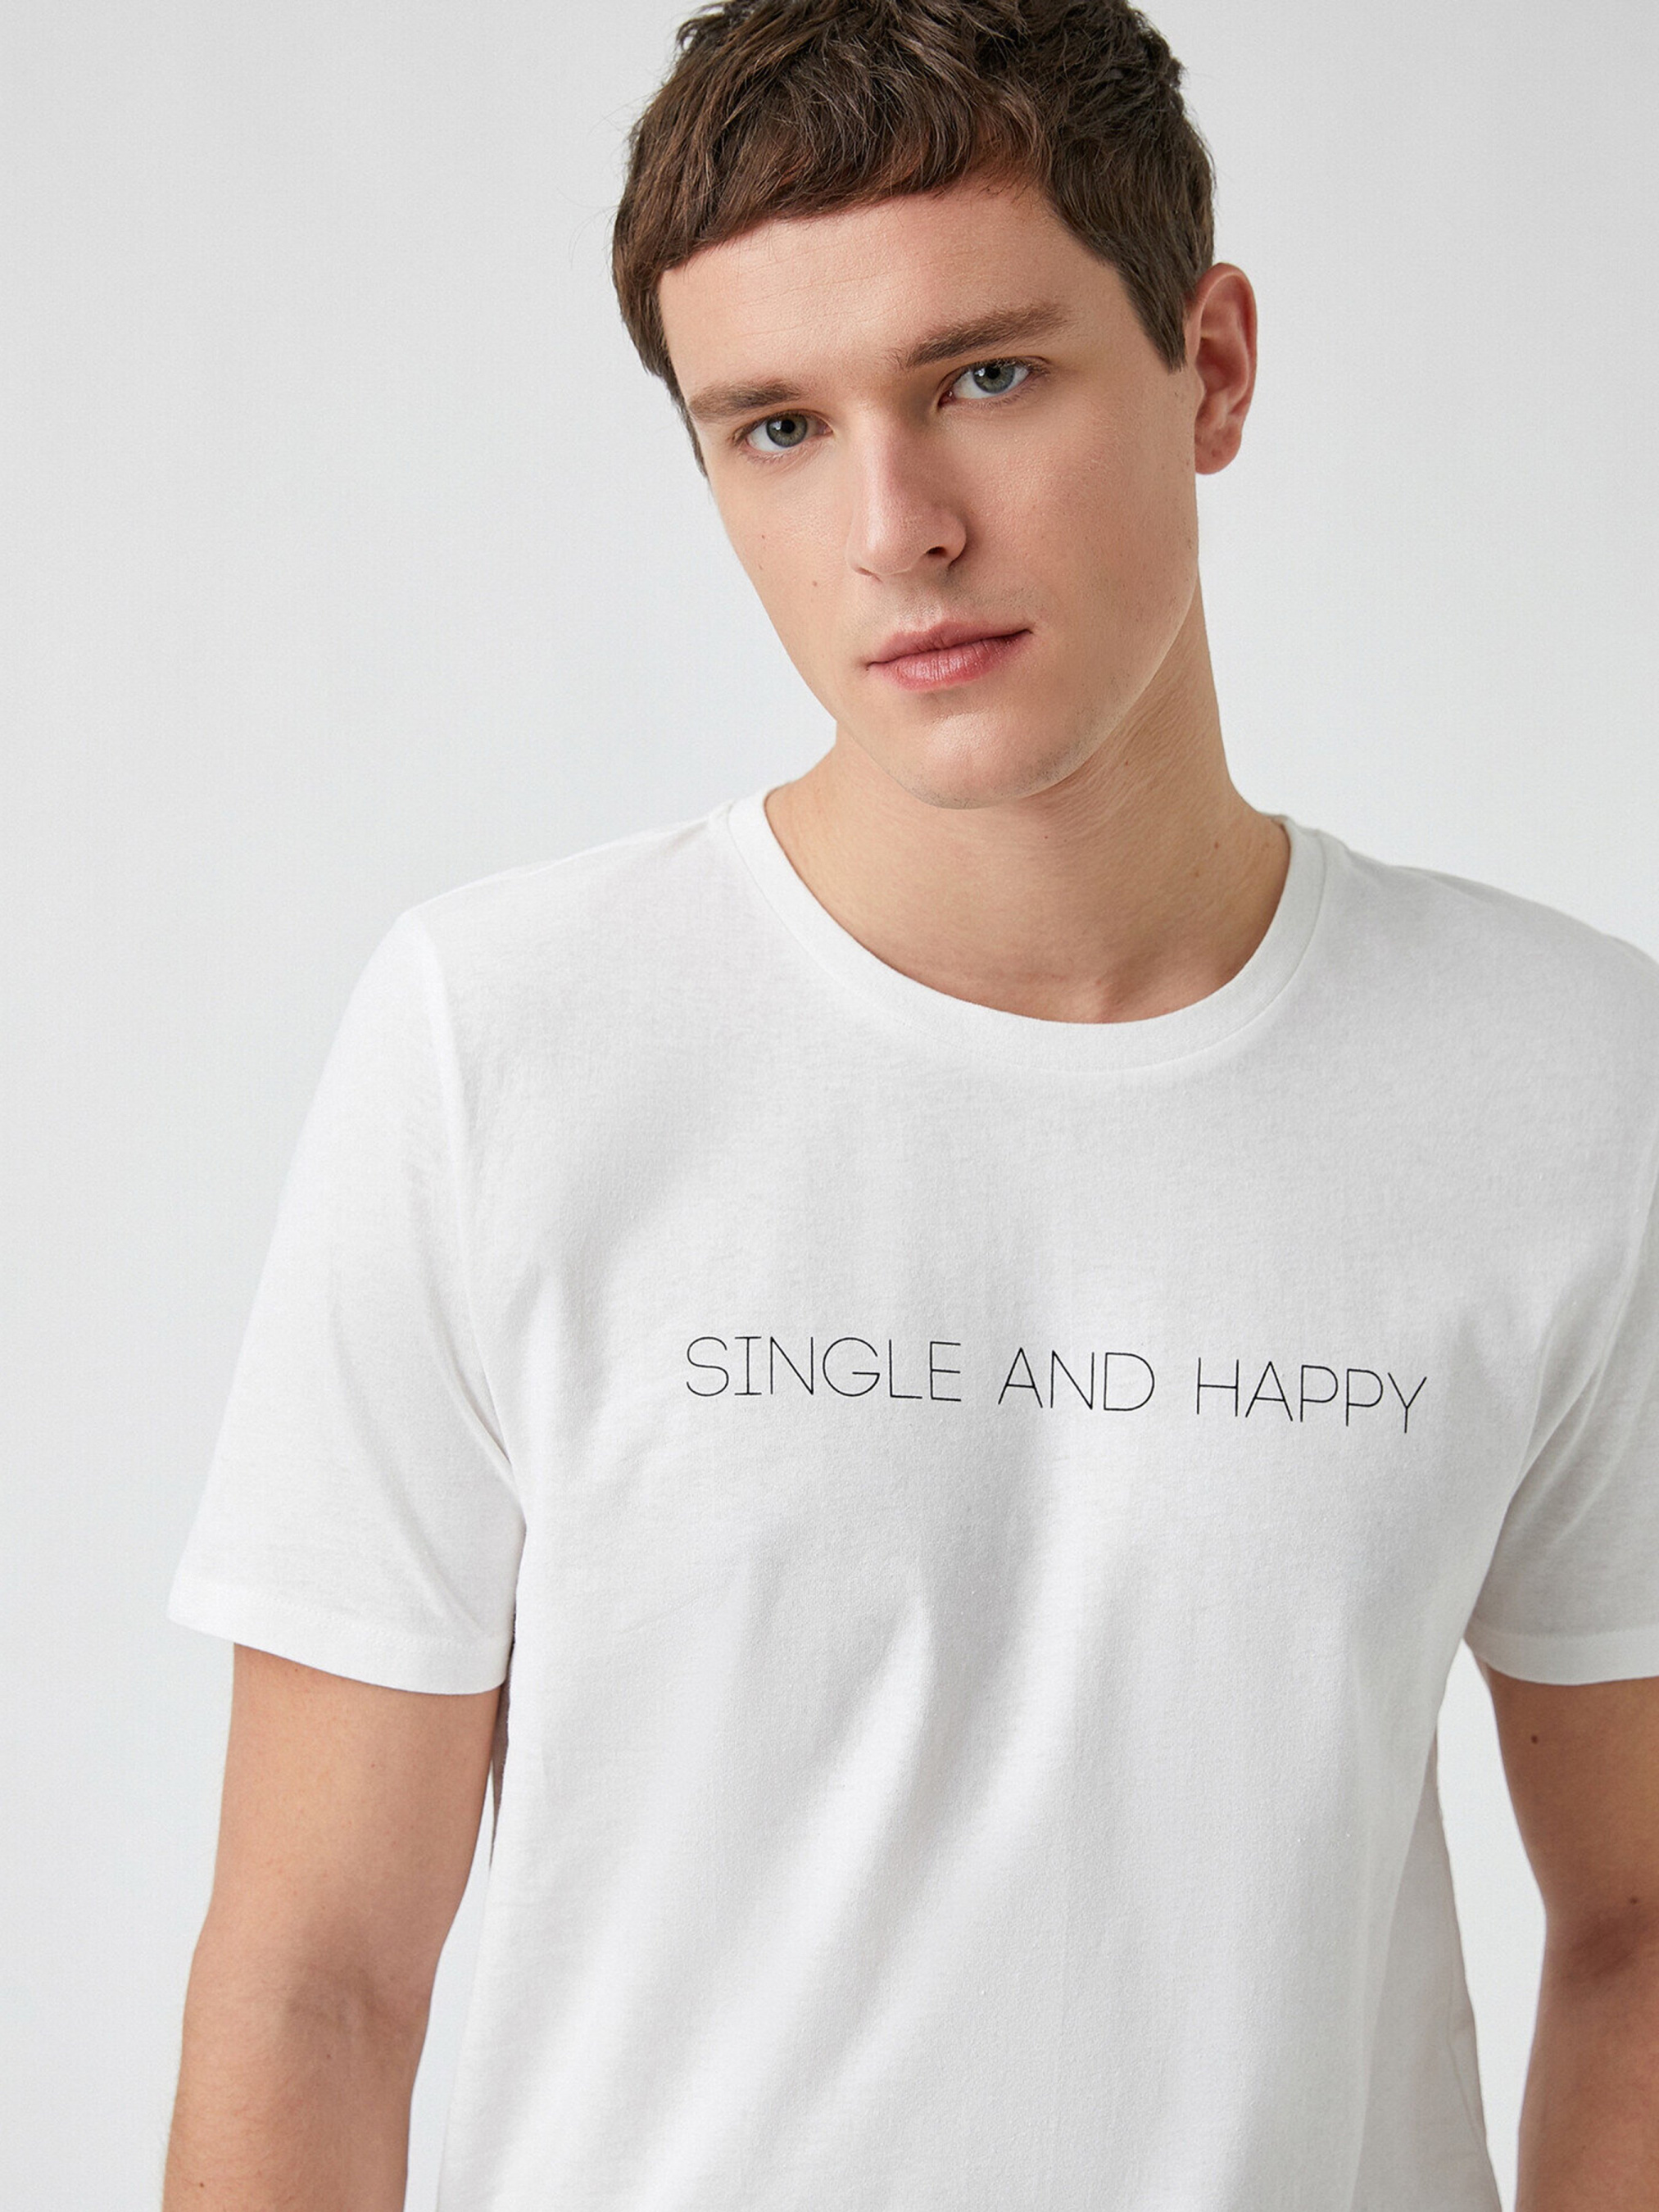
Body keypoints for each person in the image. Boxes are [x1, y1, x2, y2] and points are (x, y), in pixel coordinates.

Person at [161, 2, 1659, 2206]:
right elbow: (314, 1983)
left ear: (1211, 365)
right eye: (776, 425)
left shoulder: (1559, 1077)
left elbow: (1637, 1926)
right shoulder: (505, 1041)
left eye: (984, 378)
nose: (893, 529)